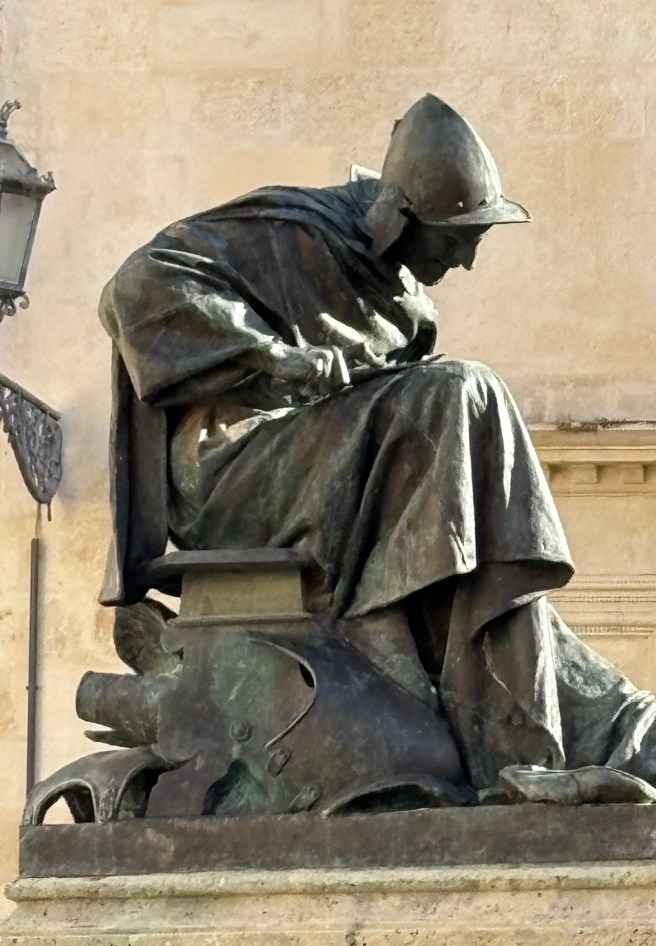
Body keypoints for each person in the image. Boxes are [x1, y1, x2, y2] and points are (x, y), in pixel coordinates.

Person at [98, 94, 656, 800]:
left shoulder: (401, 293)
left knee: (460, 490)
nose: (466, 262)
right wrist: (270, 359)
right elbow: (133, 290)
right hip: (229, 473)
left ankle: (559, 742)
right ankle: (512, 739)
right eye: (457, 240)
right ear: (400, 220)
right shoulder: (290, 231)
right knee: (459, 391)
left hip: (330, 474)